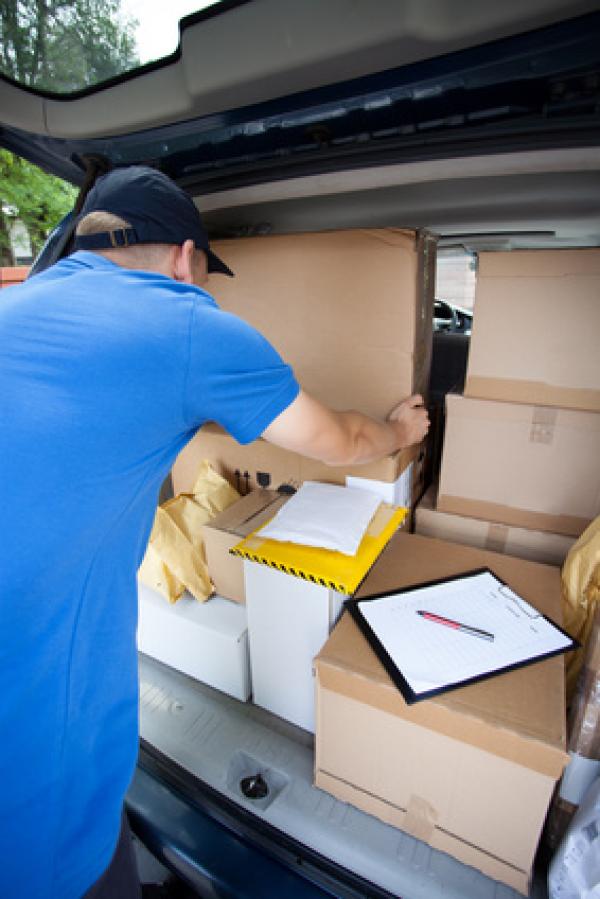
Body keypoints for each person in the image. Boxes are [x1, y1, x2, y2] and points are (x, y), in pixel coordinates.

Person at [0, 165, 429, 898]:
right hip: (35, 770)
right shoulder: (184, 323)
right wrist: (397, 429)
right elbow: (335, 439)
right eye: (205, 276)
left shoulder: (15, 308)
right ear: (182, 259)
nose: (204, 291)